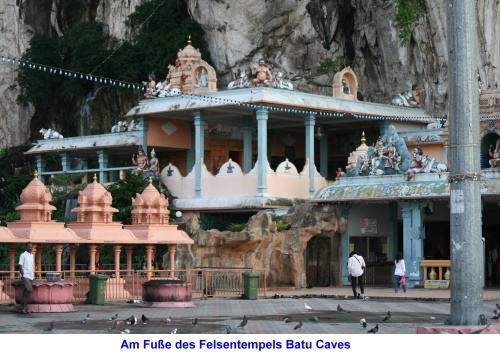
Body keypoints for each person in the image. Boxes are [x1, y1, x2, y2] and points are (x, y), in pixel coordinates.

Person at [18, 242, 34, 314]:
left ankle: (23, 307)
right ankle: (23, 307)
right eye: (28, 247)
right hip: (25, 275)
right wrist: (23, 274)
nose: (30, 248)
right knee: (29, 289)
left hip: (31, 275)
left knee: (27, 291)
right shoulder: (23, 255)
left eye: (31, 247)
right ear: (26, 247)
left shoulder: (32, 255)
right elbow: (20, 265)